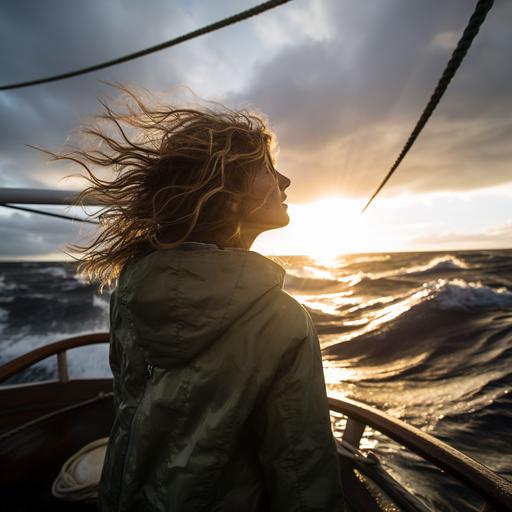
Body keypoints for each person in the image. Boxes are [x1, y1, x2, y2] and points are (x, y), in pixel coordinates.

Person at [61, 86, 344, 511]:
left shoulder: (131, 293)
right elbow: (302, 478)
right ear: (228, 198)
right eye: (268, 169)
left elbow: (128, 416)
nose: (285, 181)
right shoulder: (281, 322)